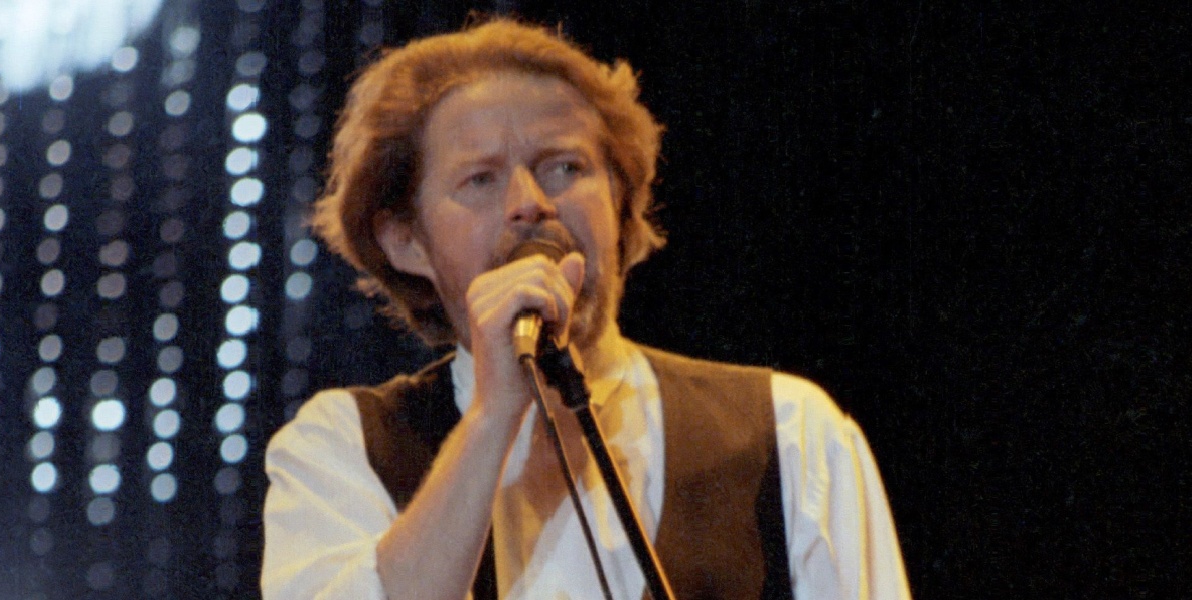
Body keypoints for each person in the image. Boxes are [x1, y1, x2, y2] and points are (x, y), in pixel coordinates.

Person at [262, 18, 911, 600]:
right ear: (405, 240)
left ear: (622, 201)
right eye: (480, 179)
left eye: (564, 167)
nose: (529, 203)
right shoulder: (342, 450)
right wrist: (492, 418)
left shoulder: (787, 433)